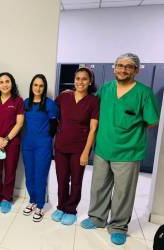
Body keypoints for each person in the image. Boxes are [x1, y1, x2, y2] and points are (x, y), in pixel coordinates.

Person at [81, 53, 159, 245]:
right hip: (103, 148)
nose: (123, 69)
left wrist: (130, 131)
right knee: (98, 187)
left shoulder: (143, 92)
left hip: (128, 152)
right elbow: (92, 108)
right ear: (114, 68)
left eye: (128, 66)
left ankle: (118, 226)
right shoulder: (106, 88)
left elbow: (151, 121)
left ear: (136, 70)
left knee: (123, 192)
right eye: (119, 65)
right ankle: (96, 218)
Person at [51, 67, 99, 225]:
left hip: (79, 149)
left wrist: (86, 152)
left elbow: (93, 129)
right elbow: (51, 113)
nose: (80, 82)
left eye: (84, 79)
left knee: (76, 180)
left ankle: (71, 209)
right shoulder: (64, 97)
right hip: (61, 146)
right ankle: (61, 207)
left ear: (90, 81)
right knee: (62, 179)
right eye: (78, 78)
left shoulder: (93, 101)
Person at [21, 74, 58, 222]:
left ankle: (41, 206)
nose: (38, 88)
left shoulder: (50, 104)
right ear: (31, 86)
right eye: (35, 85)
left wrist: (45, 139)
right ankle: (33, 200)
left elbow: (54, 127)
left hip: (43, 144)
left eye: (41, 86)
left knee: (40, 175)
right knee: (29, 174)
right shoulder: (26, 103)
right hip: (27, 144)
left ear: (44, 88)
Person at [0, 72, 24, 213]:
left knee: (9, 171)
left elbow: (19, 123)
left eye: (7, 81)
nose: (4, 84)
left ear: (12, 83)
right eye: (1, 82)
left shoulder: (18, 101)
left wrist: (6, 140)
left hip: (11, 143)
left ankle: (7, 198)